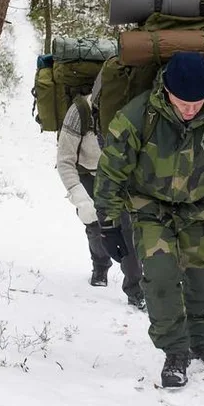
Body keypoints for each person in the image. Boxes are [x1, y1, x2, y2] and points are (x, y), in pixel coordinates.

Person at [94, 52, 204, 389]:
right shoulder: (137, 115)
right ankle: (175, 351)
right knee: (160, 276)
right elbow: (110, 173)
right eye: (182, 102)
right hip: (150, 206)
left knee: (200, 276)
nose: (191, 109)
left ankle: (202, 341)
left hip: (198, 205)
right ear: (166, 90)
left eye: (198, 102)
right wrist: (109, 224)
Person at [56, 78, 144, 308]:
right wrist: (78, 195)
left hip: (119, 175)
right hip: (88, 173)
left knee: (127, 230)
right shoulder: (79, 112)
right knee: (96, 226)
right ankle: (101, 266)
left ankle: (136, 290)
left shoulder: (128, 110)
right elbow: (65, 160)